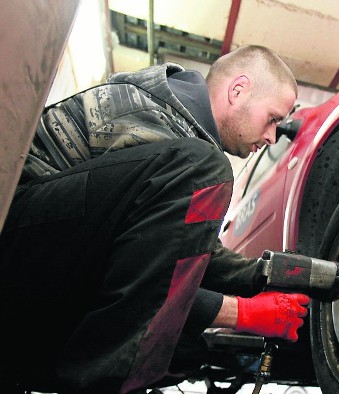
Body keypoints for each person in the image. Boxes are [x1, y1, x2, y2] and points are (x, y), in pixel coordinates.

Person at [0, 45, 313, 393]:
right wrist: (244, 313)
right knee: (203, 167)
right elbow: (152, 273)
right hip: (14, 250)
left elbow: (177, 256)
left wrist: (264, 276)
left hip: (46, 267)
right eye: (272, 119)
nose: (272, 137)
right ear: (237, 90)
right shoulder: (149, 115)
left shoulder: (177, 138)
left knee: (183, 350)